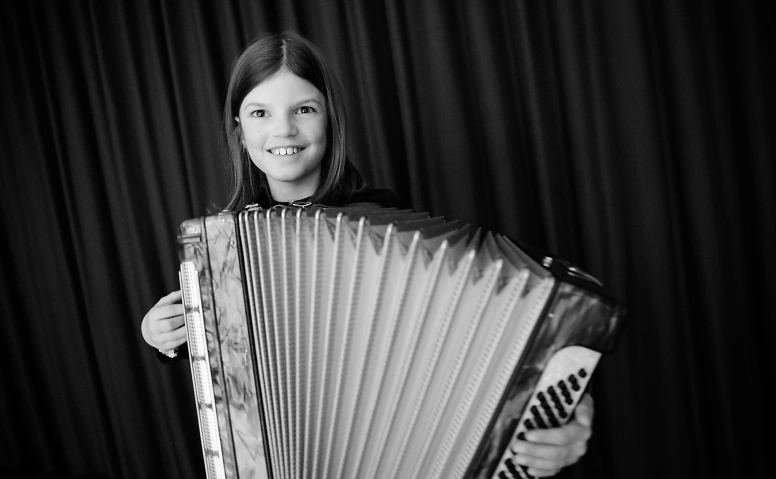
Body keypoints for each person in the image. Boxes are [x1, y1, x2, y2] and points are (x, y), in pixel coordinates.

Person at [140, 31, 592, 477]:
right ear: (239, 132)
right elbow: (224, 353)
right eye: (260, 112)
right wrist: (165, 335)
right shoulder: (224, 248)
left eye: (304, 109)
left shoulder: (382, 228)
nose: (283, 129)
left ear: (331, 121)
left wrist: (564, 410)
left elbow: (484, 336)